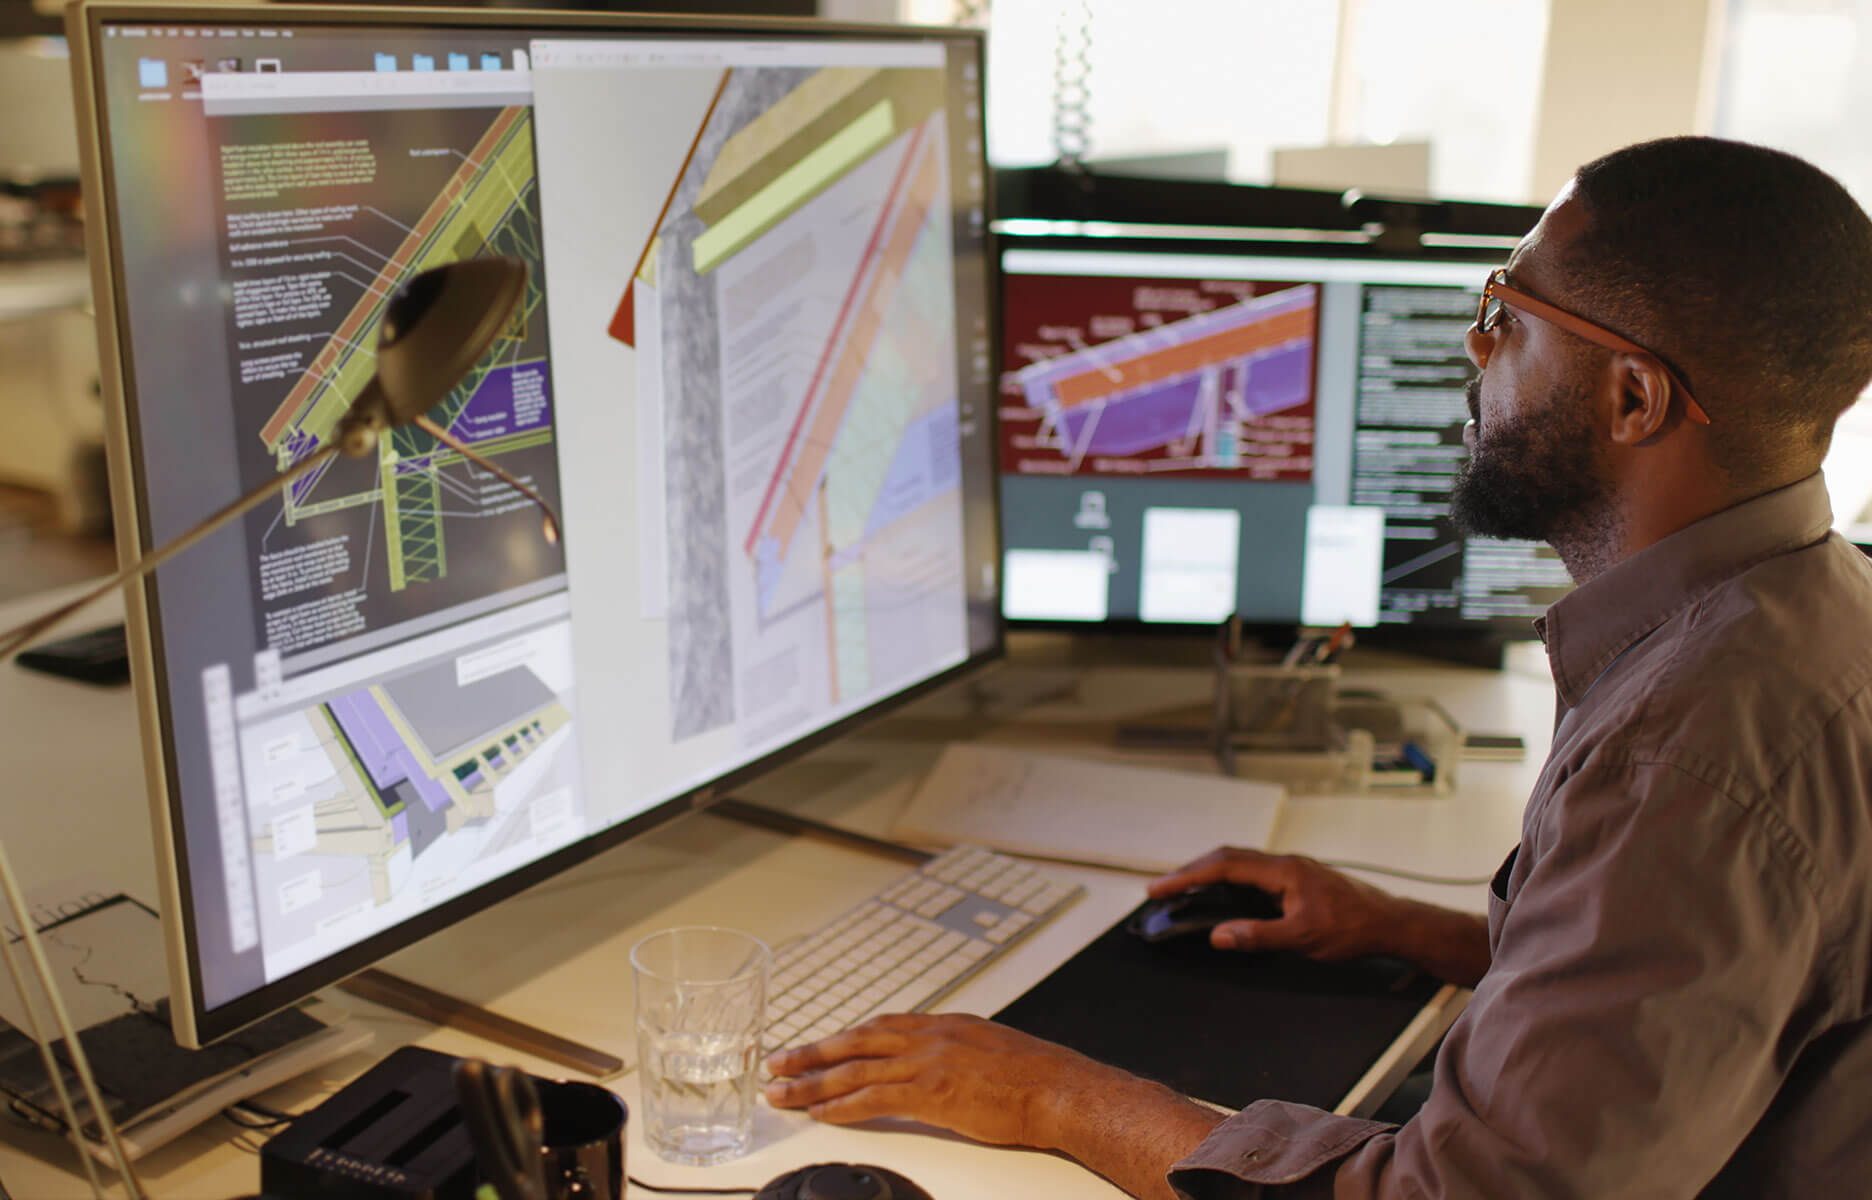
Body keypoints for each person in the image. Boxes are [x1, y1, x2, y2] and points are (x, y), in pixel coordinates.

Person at [764, 136, 1872, 1198]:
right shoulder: (1806, 613)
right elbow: (1688, 987)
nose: (1475, 347)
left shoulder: (1696, 747)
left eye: (1506, 316)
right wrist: (1409, 932)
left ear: (1634, 399)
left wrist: (1049, 1094)